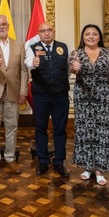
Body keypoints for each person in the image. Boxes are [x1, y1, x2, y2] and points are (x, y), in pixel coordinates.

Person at [69, 24, 109, 186]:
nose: (91, 37)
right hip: (83, 98)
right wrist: (74, 68)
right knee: (85, 131)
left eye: (94, 34)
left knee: (103, 132)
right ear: (83, 37)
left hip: (104, 98)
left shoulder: (108, 54)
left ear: (99, 37)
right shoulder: (76, 53)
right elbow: (71, 69)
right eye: (87, 34)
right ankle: (87, 167)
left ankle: (99, 169)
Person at [0, 15, 28, 174]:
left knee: (12, 127)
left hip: (13, 92)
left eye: (4, 24)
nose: (1, 27)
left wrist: (23, 91)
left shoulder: (20, 44)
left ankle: (10, 158)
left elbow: (23, 70)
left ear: (8, 27)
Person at [24, 22, 70, 177]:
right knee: (41, 128)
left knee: (60, 129)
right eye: (43, 31)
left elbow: (68, 70)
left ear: (53, 31)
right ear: (39, 33)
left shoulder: (63, 47)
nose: (46, 33)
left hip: (60, 95)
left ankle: (59, 162)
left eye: (49, 30)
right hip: (41, 95)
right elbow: (28, 62)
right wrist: (33, 63)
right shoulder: (33, 48)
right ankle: (43, 161)